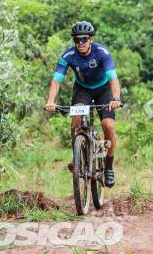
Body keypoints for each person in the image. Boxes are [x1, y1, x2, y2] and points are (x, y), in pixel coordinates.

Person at [45, 20, 121, 186]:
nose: (80, 43)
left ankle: (108, 166)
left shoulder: (102, 53)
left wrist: (115, 98)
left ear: (91, 39)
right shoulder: (68, 56)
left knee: (108, 125)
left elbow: (113, 78)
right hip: (83, 90)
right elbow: (56, 81)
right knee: (77, 118)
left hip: (104, 90)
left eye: (84, 39)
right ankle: (77, 157)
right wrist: (51, 101)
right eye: (77, 40)